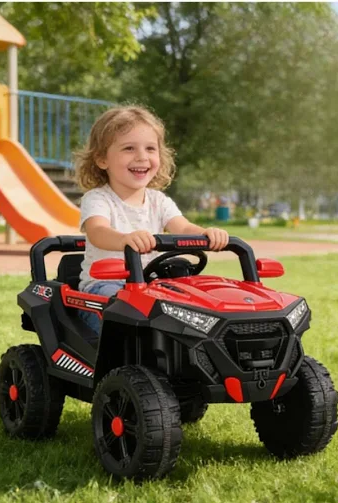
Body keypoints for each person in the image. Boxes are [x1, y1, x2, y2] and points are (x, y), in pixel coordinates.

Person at [74, 105, 229, 333]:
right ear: (102, 159)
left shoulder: (158, 201)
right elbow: (98, 231)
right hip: (103, 288)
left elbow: (182, 227)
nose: (142, 157)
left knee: (197, 309)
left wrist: (205, 234)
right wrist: (125, 239)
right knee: (127, 312)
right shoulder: (98, 198)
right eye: (129, 148)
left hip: (151, 285)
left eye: (150, 148)